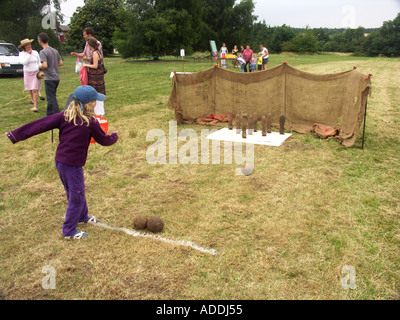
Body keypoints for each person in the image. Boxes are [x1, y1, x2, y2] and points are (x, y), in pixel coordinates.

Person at [5, 85, 119, 239]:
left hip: (61, 162)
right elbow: (104, 141)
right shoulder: (90, 122)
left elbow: (39, 124)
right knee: (76, 195)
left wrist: (15, 135)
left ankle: (82, 216)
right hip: (71, 165)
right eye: (95, 101)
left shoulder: (64, 116)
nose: (96, 103)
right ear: (89, 104)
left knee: (76, 190)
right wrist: (114, 136)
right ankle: (69, 231)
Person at [37, 32, 63, 116]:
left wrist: (39, 68)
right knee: (51, 97)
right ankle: (48, 115)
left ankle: (59, 115)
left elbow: (45, 65)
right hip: (56, 77)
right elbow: (61, 63)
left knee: (51, 98)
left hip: (49, 78)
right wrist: (53, 65)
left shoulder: (43, 52)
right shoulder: (54, 51)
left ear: (40, 41)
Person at [81, 37, 106, 116]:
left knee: (97, 93)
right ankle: (96, 111)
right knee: (95, 93)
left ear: (90, 45)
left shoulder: (95, 53)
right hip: (95, 77)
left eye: (88, 45)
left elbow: (95, 66)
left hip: (96, 78)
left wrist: (86, 65)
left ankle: (99, 111)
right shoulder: (96, 52)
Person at [18, 38, 42, 112]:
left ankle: (35, 106)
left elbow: (39, 62)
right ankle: (34, 101)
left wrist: (41, 69)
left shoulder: (35, 52)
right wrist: (28, 54)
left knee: (34, 89)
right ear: (24, 46)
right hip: (27, 72)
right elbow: (24, 62)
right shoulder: (22, 54)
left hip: (35, 72)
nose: (29, 46)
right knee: (31, 89)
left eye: (29, 44)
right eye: (27, 45)